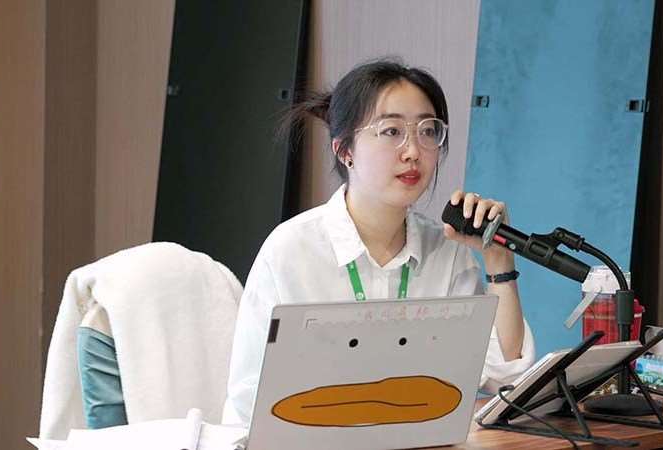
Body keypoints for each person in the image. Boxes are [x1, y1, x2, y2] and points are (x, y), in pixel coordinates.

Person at [222, 59, 535, 424]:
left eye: (428, 130)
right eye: (391, 131)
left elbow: (505, 377)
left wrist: (499, 262)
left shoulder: (447, 252)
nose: (413, 151)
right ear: (345, 150)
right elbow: (249, 400)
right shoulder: (292, 250)